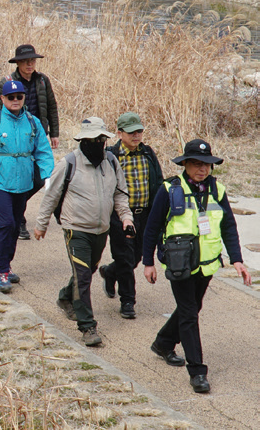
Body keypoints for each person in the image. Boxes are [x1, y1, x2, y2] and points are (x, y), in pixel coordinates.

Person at [142, 139, 251, 394]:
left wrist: (237, 259)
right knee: (190, 314)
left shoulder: (219, 191)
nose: (201, 169)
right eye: (195, 164)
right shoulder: (169, 189)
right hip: (179, 263)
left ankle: (163, 342)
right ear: (185, 165)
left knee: (191, 307)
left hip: (207, 264)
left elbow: (228, 227)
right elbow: (152, 227)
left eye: (206, 165)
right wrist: (148, 262)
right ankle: (198, 371)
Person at [34, 117, 133, 347]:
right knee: (83, 276)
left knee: (87, 270)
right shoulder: (68, 163)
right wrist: (41, 224)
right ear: (83, 140)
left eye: (101, 139)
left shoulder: (111, 162)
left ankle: (66, 297)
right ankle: (87, 327)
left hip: (102, 229)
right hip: (75, 228)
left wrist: (126, 217)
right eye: (92, 139)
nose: (98, 143)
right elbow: (51, 196)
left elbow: (119, 194)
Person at [0, 80, 53, 294]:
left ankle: (7, 264)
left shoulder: (32, 122)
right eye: (11, 97)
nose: (15, 101)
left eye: (19, 97)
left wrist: (47, 175)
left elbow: (43, 150)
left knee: (16, 226)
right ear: (3, 99)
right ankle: (1, 270)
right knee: (6, 224)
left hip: (23, 182)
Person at [98, 112, 163, 320]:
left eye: (139, 131)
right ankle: (128, 301)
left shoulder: (148, 153)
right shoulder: (111, 155)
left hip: (144, 215)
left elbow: (158, 181)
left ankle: (109, 272)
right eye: (132, 132)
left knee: (136, 257)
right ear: (119, 133)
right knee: (125, 258)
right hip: (120, 216)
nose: (137, 136)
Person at [0, 44, 60, 240]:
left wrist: (54, 133)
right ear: (18, 63)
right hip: (14, 139)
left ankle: (18, 209)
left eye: (32, 61)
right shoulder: (7, 82)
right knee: (17, 177)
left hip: (37, 137)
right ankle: (18, 219)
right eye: (26, 61)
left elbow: (51, 106)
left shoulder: (42, 81)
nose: (30, 64)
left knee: (39, 178)